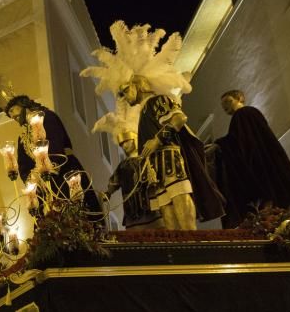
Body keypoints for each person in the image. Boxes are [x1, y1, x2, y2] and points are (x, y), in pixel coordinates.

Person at [81, 22, 225, 229]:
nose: (122, 96)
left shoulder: (158, 101)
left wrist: (157, 139)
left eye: (124, 90)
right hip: (155, 166)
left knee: (178, 197)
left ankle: (189, 239)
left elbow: (178, 119)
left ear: (137, 84)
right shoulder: (144, 112)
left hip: (169, 158)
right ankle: (176, 244)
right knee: (165, 205)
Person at [214, 89, 290, 227]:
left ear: (239, 98)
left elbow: (239, 141)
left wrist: (218, 145)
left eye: (228, 102)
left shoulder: (242, 114)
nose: (226, 107)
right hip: (266, 162)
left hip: (258, 164)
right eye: (223, 107)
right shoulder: (251, 114)